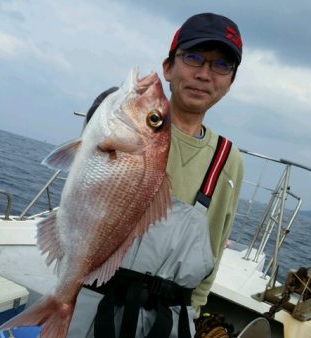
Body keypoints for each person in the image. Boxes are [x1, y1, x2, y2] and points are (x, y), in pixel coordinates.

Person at [68, 12, 244, 338]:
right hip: (96, 301)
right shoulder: (121, 124)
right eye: (193, 58)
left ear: (230, 82)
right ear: (168, 67)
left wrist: (194, 312)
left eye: (221, 65)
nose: (204, 74)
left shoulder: (228, 160)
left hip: (169, 322)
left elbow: (213, 251)